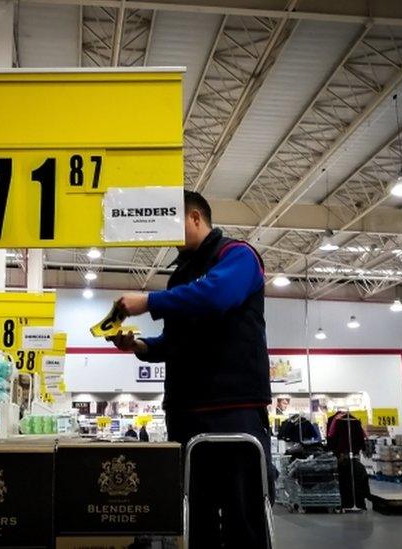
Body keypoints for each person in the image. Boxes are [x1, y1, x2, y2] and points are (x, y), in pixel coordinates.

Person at [107, 190, 271, 548]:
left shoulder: (237, 255)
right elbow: (174, 342)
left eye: (172, 224)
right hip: (184, 413)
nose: (167, 236)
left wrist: (148, 301)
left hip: (234, 410)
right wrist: (139, 346)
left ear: (195, 217)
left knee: (244, 518)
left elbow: (217, 296)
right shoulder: (179, 278)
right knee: (196, 519)